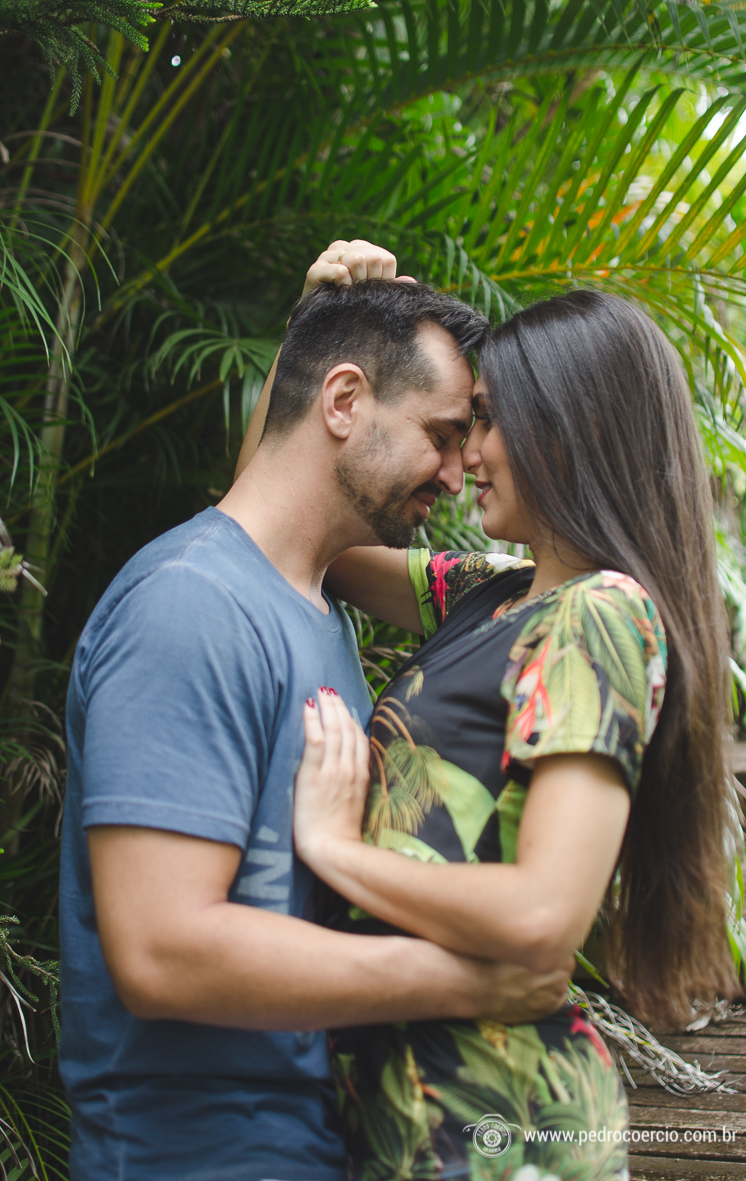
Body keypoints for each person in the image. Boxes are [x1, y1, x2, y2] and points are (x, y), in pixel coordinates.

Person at [58, 242, 571, 1181]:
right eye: (443, 433)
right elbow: (162, 950)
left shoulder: (317, 599)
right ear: (343, 402)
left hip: (320, 1136)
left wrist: (317, 327)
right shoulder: (188, 608)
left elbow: (276, 490)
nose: (458, 470)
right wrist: (464, 978)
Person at [281, 285, 739, 1179]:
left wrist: (335, 850)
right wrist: (318, 327)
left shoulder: (598, 615)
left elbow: (541, 915)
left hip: (501, 1124)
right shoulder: (494, 592)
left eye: (488, 421)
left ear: (570, 428)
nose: (468, 456)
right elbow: (294, 518)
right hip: (417, 1114)